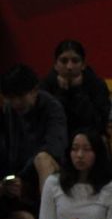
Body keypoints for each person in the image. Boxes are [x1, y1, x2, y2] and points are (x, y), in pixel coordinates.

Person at [38, 130, 112, 219]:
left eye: (87, 149)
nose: (80, 155)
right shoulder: (53, 182)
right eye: (75, 149)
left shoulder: (110, 187)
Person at [1, 65, 67, 193]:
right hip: (17, 179)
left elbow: (54, 149)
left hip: (44, 174)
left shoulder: (53, 108)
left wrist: (23, 177)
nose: (16, 102)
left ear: (35, 90)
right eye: (11, 98)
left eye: (20, 96)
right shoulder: (8, 109)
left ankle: (47, 212)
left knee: (42, 159)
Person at [40, 40, 111, 140]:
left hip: (89, 142)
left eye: (75, 61)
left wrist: (78, 92)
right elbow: (47, 123)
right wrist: (62, 93)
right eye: (64, 61)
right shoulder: (45, 86)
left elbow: (99, 124)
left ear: (83, 65)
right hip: (56, 140)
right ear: (55, 65)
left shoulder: (97, 85)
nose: (69, 67)